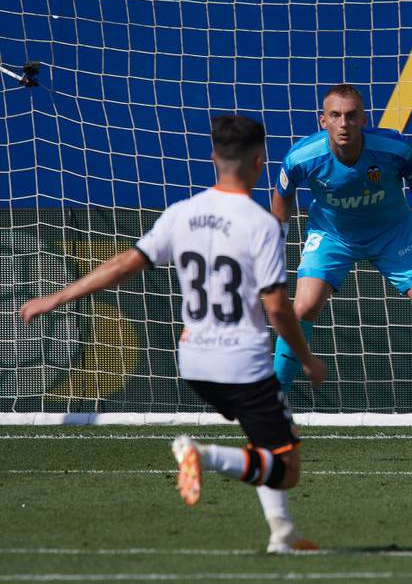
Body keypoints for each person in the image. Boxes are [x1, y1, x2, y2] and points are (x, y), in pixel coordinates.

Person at [19, 114, 327, 554]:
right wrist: (309, 359)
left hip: (195, 363)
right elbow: (277, 306)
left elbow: (124, 264)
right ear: (260, 162)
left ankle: (282, 532)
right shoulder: (262, 224)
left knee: (263, 443)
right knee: (287, 468)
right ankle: (202, 455)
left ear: (213, 158)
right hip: (242, 362)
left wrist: (56, 298)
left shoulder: (182, 214)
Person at [271, 83, 412, 442]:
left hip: (394, 234)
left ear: (364, 119)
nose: (344, 123)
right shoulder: (301, 157)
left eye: (351, 116)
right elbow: (282, 196)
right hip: (333, 236)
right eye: (335, 116)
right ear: (323, 121)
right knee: (303, 308)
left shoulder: (395, 149)